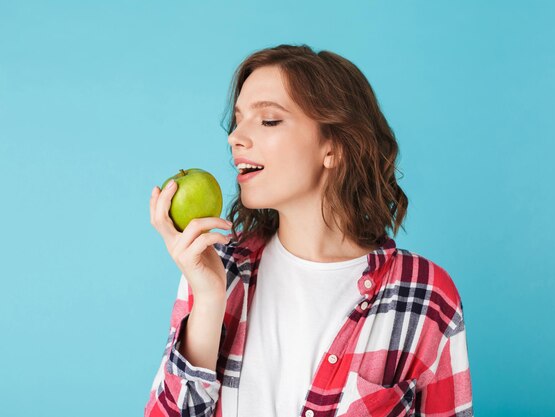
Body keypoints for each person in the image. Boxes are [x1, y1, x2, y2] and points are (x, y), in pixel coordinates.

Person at [145, 44, 473, 417]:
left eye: (268, 120)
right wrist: (208, 299)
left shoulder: (425, 297)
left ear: (333, 148)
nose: (234, 137)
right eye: (237, 120)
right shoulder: (216, 269)